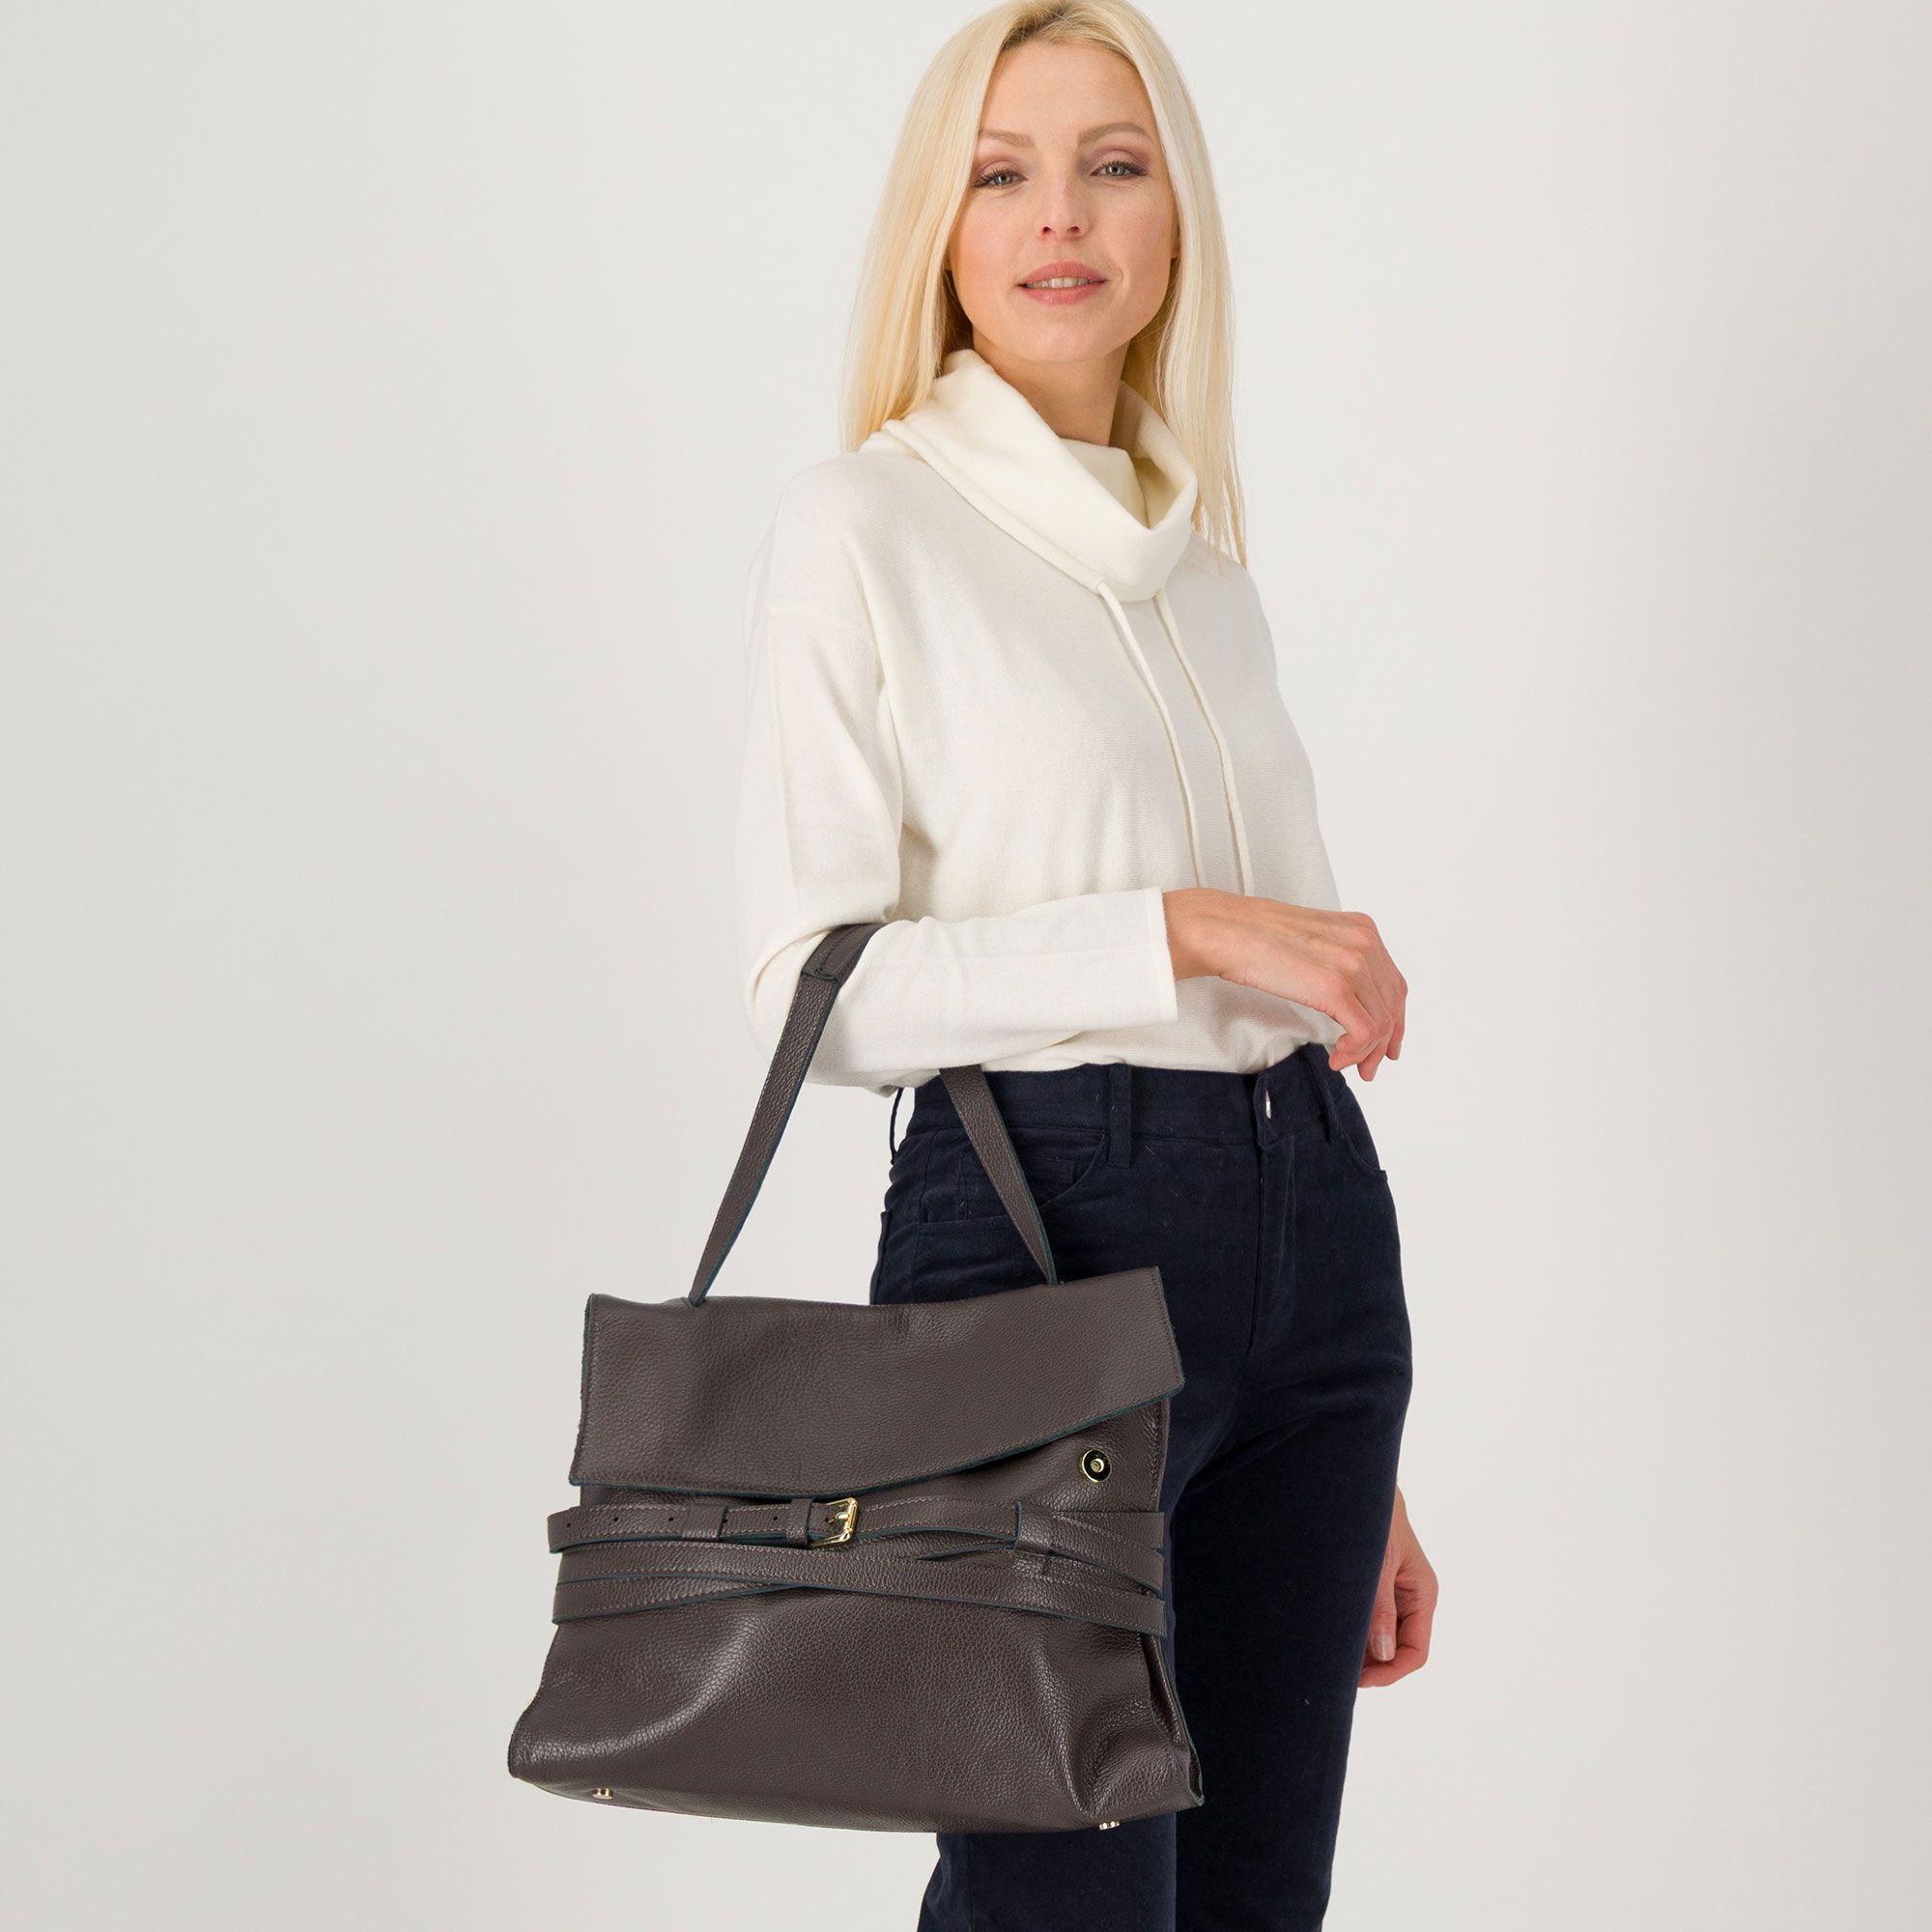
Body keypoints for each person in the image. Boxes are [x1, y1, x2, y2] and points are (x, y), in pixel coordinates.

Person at [732, 4, 1437, 1925]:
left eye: (1114, 165)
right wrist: (1175, 927)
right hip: (1041, 1230)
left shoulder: (1205, 567)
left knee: (1250, 1904)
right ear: (941, 229)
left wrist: (1352, 1456)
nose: (1062, 214)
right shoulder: (865, 525)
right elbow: (819, 989)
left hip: (1307, 1243)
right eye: (1003, 171)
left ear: (1174, 218)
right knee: (1060, 1901)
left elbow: (1277, 1020)